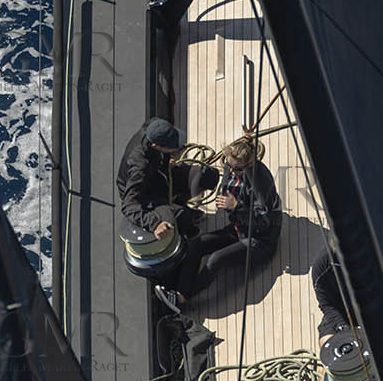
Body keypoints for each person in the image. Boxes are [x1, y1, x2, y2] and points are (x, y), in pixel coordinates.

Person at [154, 133, 281, 313]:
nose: (230, 169)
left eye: (236, 168)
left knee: (216, 260)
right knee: (196, 245)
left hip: (260, 241)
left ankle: (181, 299)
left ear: (250, 164)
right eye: (228, 164)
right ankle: (178, 286)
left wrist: (237, 207)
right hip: (238, 228)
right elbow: (225, 185)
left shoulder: (261, 182)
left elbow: (265, 223)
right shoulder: (231, 165)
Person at [116, 118, 207, 239]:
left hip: (157, 174)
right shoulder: (139, 167)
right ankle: (187, 229)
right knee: (180, 217)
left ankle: (179, 204)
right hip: (144, 194)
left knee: (207, 176)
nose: (176, 148)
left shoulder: (153, 126)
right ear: (155, 146)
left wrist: (166, 158)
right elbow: (128, 206)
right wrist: (154, 224)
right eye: (172, 146)